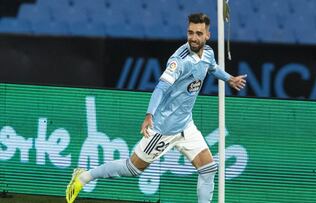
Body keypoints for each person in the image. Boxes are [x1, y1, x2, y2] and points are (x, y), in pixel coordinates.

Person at [66, 13, 247, 203]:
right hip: (163, 129)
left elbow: (212, 67)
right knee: (132, 168)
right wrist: (149, 115)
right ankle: (83, 177)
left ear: (207, 35)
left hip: (186, 126)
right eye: (190, 32)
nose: (193, 38)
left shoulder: (208, 52)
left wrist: (229, 78)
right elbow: (161, 87)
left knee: (208, 169)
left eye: (198, 33)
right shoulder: (179, 61)